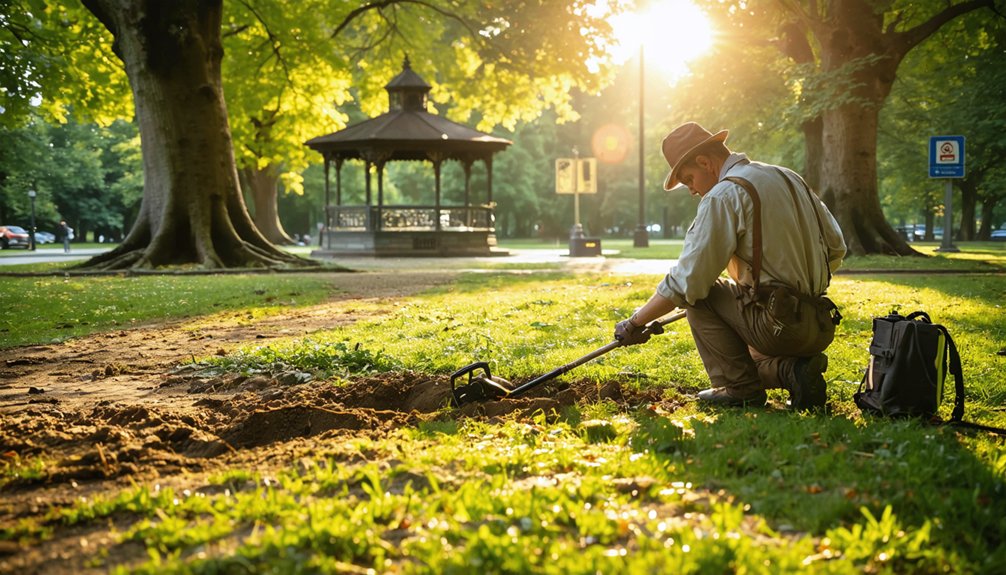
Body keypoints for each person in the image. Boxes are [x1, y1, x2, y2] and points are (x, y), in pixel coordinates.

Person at [614, 122, 846, 410]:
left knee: (701, 297)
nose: (691, 190)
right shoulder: (789, 177)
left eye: (689, 179)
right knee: (746, 350)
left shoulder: (724, 195)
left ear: (705, 162)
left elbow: (688, 282)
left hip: (778, 328)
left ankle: (740, 389)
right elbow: (837, 247)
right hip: (820, 323)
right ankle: (794, 371)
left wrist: (635, 322)